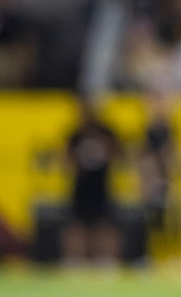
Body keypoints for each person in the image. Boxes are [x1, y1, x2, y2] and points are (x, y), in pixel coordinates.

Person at [62, 95, 123, 267]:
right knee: (77, 224)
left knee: (105, 224)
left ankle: (107, 259)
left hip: (101, 185)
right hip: (81, 186)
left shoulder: (106, 132)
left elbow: (119, 155)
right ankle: (75, 259)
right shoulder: (76, 134)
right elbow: (67, 159)